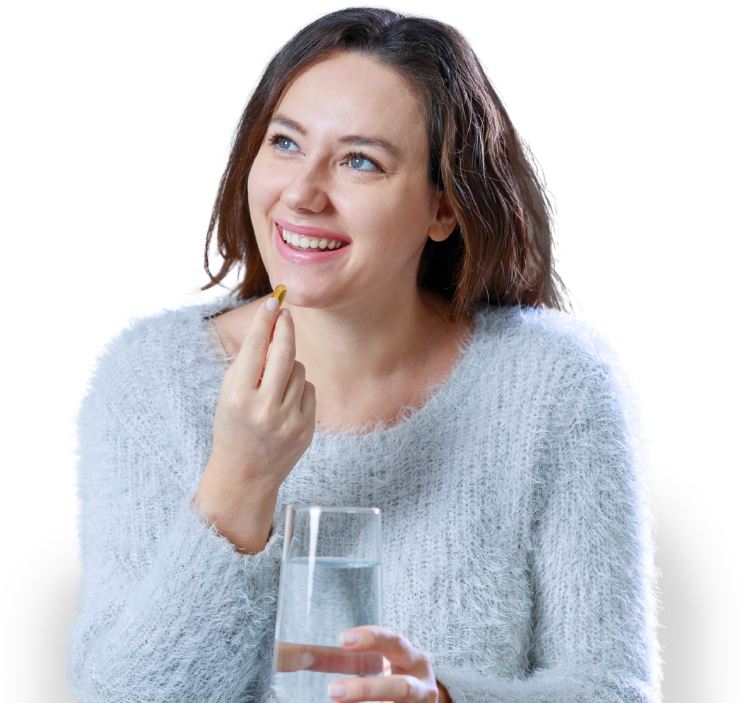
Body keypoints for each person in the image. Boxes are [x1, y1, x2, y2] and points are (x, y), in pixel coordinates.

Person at [61, 5, 665, 702]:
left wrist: (443, 700)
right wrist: (239, 483)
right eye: (285, 143)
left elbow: (613, 689)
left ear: (444, 209)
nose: (301, 194)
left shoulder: (556, 385)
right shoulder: (146, 378)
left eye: (360, 161)